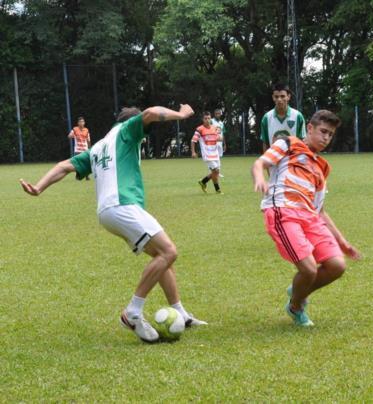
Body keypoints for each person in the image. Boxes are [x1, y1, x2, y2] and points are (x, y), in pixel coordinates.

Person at [20, 104, 207, 343]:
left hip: (107, 211)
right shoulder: (127, 131)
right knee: (169, 252)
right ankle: (133, 312)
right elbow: (149, 113)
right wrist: (180, 115)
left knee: (160, 255)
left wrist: (39, 187)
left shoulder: (98, 146)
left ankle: (179, 311)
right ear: (133, 122)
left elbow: (64, 166)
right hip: (123, 204)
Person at [251, 110, 362, 327]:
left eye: (330, 134)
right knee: (309, 269)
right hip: (283, 211)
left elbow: (319, 210)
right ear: (309, 128)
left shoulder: (322, 167)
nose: (326, 138)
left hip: (310, 217)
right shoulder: (288, 144)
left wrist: (343, 242)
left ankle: (300, 288)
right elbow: (260, 163)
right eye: (323, 131)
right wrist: (260, 179)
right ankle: (296, 305)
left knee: (337, 265)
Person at [260, 83, 306, 152]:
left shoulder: (297, 116)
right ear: (273, 97)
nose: (279, 99)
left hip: (292, 160)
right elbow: (265, 143)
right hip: (274, 161)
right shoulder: (267, 118)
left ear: (288, 97)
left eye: (282, 96)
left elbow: (302, 141)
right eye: (276, 96)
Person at [192, 111, 223, 194]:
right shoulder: (200, 129)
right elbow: (193, 141)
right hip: (207, 154)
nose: (207, 120)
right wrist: (193, 152)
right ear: (203, 119)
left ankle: (203, 182)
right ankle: (218, 190)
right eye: (205, 118)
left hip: (215, 153)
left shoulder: (214, 128)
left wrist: (220, 136)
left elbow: (219, 138)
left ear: (210, 118)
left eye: (209, 118)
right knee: (215, 171)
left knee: (215, 172)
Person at [212, 108, 226, 177]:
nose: (218, 115)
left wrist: (224, 144)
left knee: (219, 157)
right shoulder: (211, 121)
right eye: (216, 114)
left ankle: (218, 172)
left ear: (220, 114)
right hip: (212, 143)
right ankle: (213, 172)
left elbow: (223, 134)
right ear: (214, 114)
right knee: (213, 157)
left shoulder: (221, 123)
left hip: (220, 143)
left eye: (219, 113)